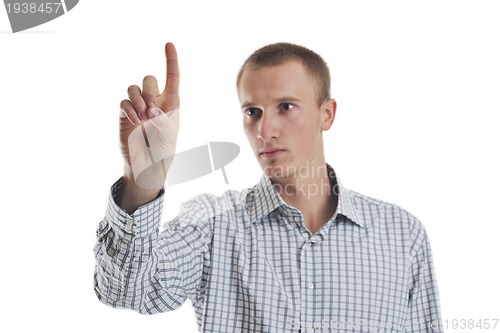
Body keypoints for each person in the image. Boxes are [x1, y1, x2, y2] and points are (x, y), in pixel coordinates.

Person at [94, 42, 443, 332]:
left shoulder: (402, 235)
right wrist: (141, 182)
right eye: (253, 112)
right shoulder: (212, 224)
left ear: (327, 114)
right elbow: (125, 291)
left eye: (286, 107)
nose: (265, 130)